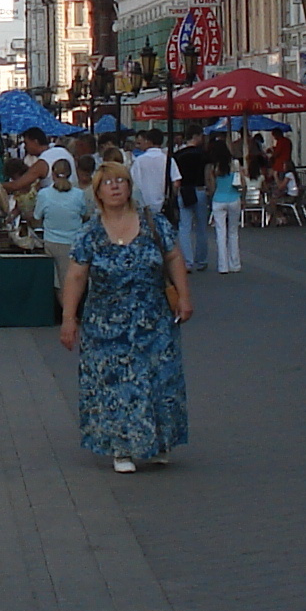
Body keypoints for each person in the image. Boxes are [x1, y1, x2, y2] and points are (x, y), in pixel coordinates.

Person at [60, 160, 193, 470]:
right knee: (114, 384)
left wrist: (184, 296)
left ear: (130, 187)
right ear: (97, 193)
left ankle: (159, 442)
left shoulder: (153, 223)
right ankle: (121, 446)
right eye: (108, 183)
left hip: (153, 318)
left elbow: (173, 257)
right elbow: (76, 276)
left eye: (121, 181)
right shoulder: (90, 233)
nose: (115, 187)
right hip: (106, 325)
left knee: (159, 380)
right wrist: (69, 318)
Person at [35, 154, 94, 285]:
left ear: (52, 174)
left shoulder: (44, 194)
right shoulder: (79, 194)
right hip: (74, 243)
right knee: (73, 281)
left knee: (58, 283)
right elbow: (85, 215)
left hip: (52, 244)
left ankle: (64, 305)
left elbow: (37, 216)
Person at [170, 128, 213, 271]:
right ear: (196, 136)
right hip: (200, 189)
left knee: (184, 227)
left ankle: (187, 262)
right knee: (201, 227)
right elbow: (208, 174)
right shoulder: (204, 154)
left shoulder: (177, 155)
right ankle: (201, 260)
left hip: (184, 190)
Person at [202, 133, 244, 274]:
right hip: (233, 198)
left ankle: (223, 266)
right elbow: (242, 183)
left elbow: (211, 186)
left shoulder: (213, 167)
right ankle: (235, 264)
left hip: (218, 199)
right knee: (233, 232)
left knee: (220, 233)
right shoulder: (235, 164)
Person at [131, 129, 171, 218]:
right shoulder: (168, 160)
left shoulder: (139, 160)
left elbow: (133, 180)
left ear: (149, 142)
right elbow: (176, 181)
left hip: (144, 204)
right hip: (163, 204)